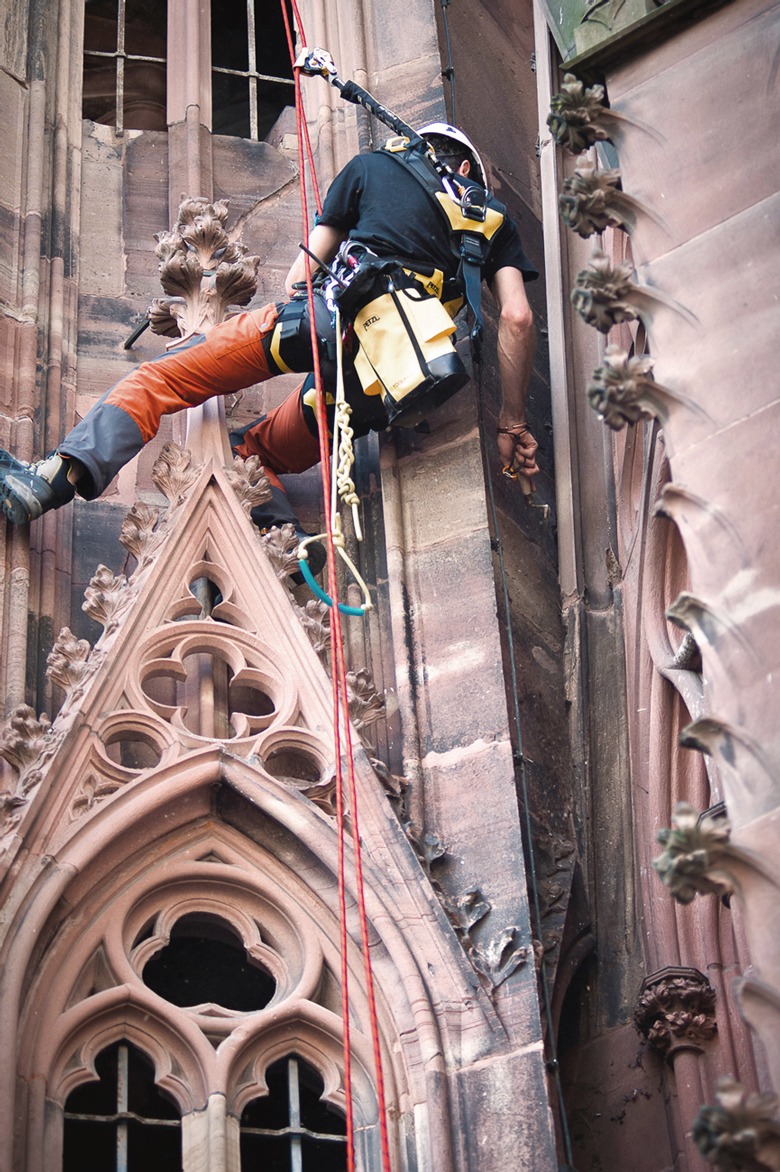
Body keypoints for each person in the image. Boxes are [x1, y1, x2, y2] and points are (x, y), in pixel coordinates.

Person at [0, 123, 540, 547]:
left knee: (155, 382)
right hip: (381, 387)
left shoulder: (373, 167)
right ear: (465, 167)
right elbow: (515, 319)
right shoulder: (491, 219)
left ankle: (49, 480)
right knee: (252, 455)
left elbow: (299, 276)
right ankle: (290, 542)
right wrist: (511, 421)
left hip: (319, 331)